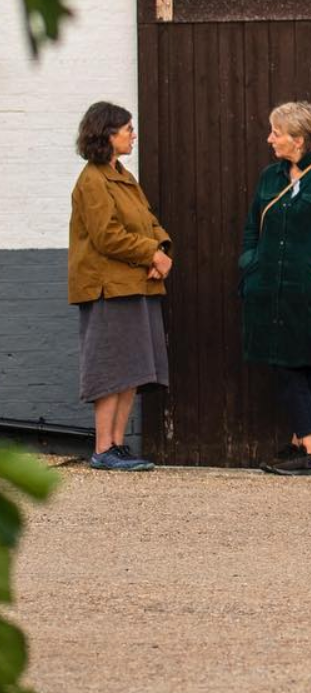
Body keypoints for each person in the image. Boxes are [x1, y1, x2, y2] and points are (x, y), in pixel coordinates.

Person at [239, 101, 311, 476]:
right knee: (286, 362)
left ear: (299, 139)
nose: (269, 139)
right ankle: (299, 446)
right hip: (269, 289)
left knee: (302, 365)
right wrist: (250, 262)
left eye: (277, 132)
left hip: (310, 293)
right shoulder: (269, 178)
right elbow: (250, 229)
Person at [67, 102, 173, 471]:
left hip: (134, 284)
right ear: (107, 134)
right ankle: (102, 448)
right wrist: (150, 255)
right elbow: (107, 236)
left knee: (131, 368)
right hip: (107, 287)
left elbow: (147, 220)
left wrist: (160, 250)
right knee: (110, 367)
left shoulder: (123, 176)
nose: (133, 135)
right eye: (127, 129)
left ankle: (117, 445)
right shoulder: (93, 180)